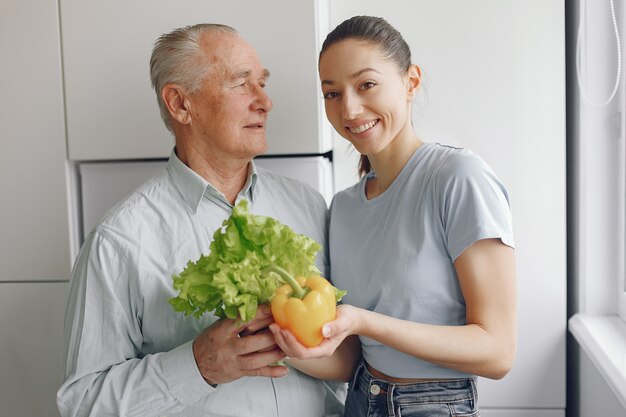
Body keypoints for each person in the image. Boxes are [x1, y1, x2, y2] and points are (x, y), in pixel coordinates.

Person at [57, 23, 347, 417]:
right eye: (241, 84)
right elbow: (83, 403)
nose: (265, 101)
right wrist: (198, 366)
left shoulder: (310, 207)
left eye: (261, 83)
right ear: (180, 104)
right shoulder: (119, 239)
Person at [269, 15, 517, 417]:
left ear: (410, 82)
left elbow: (498, 352)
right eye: (332, 93)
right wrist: (279, 343)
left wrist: (366, 322)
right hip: (360, 398)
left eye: (366, 84)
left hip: (434, 405)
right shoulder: (344, 208)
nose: (349, 108)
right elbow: (348, 359)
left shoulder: (457, 178)